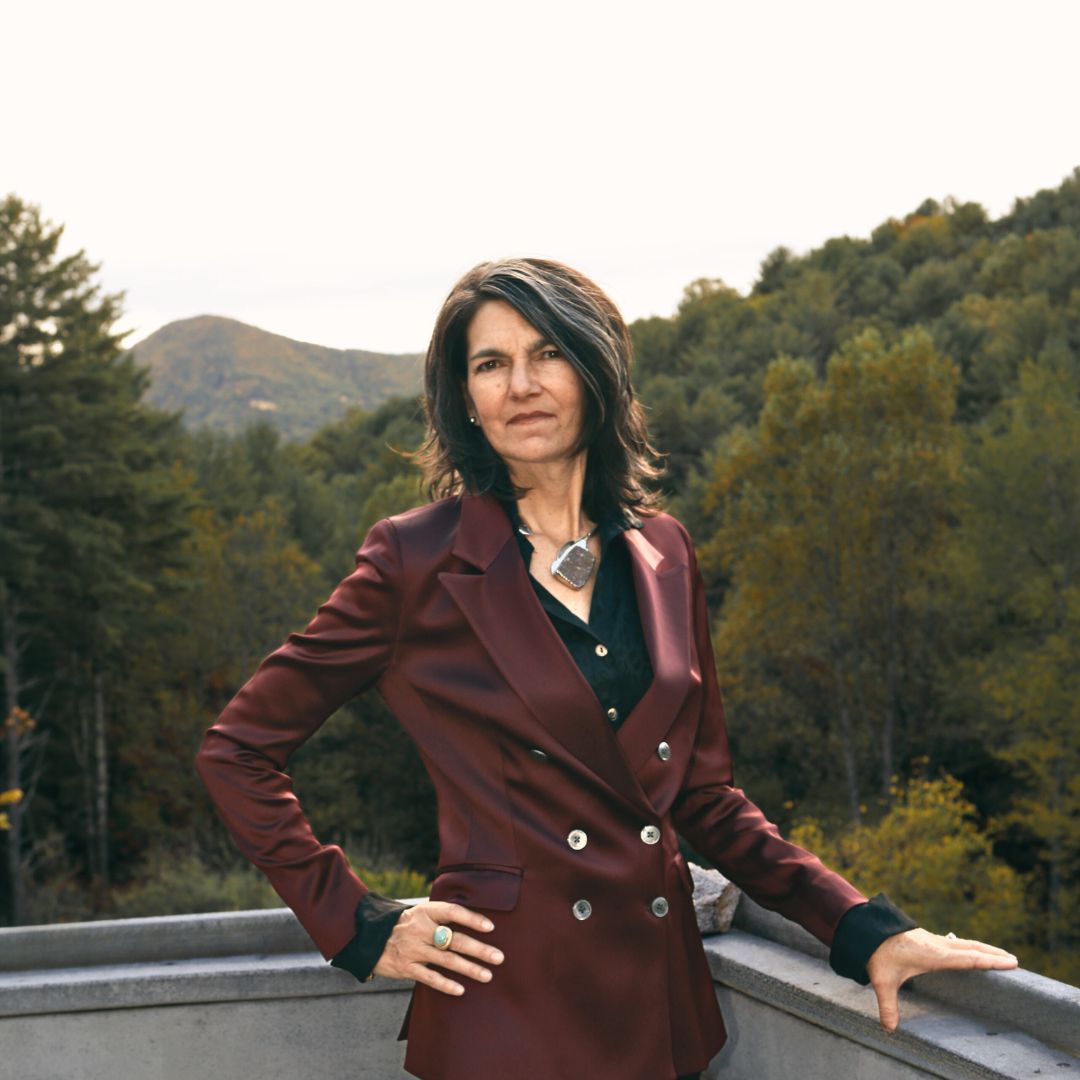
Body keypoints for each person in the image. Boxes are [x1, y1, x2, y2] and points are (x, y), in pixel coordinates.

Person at [194, 257, 1019, 1080]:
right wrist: (360, 924)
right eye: (491, 364)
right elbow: (237, 751)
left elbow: (705, 796)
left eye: (548, 352)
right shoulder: (415, 561)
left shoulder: (664, 551)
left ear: (595, 371)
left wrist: (863, 928)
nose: (521, 384)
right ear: (467, 401)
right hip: (510, 1014)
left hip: (662, 1010)